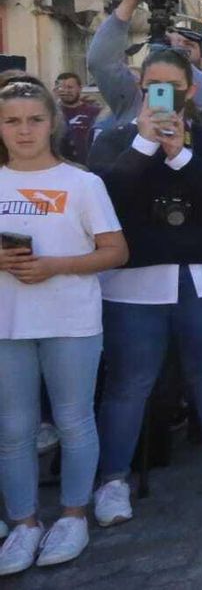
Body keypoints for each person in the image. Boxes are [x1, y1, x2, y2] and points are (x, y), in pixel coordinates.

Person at [87, 48, 202, 526]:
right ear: (140, 88)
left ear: (191, 91)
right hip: (134, 285)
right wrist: (143, 147)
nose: (162, 94)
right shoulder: (114, 139)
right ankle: (113, 479)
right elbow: (105, 200)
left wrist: (180, 154)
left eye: (172, 86)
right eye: (152, 85)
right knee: (129, 383)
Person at [0, 82, 127, 576]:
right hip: (8, 324)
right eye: (12, 121)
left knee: (74, 421)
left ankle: (73, 514)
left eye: (34, 119)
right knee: (13, 429)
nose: (24, 130)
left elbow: (115, 252)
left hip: (70, 320)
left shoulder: (82, 184)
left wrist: (54, 265)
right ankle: (25, 522)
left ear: (52, 122)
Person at [88, 0, 202, 129]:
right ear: (140, 82)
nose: (162, 89)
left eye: (188, 46)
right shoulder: (134, 98)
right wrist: (128, 5)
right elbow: (101, 63)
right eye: (153, 83)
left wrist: (177, 57)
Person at [53, 73, 101, 166]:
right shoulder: (51, 113)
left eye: (70, 87)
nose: (66, 91)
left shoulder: (94, 112)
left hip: (89, 166)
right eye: (61, 88)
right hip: (62, 166)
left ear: (80, 88)